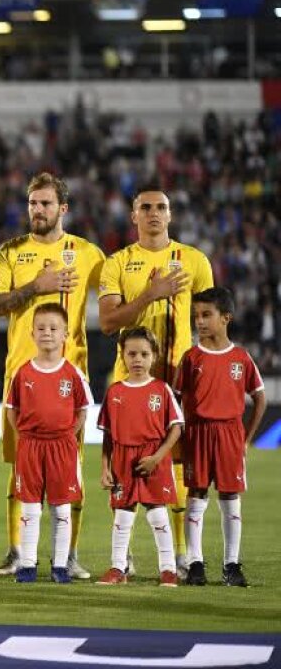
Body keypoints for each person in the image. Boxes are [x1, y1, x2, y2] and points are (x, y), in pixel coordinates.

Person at [0, 173, 104, 578]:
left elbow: (114, 296)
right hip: (23, 375)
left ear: (63, 209)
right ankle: (18, 552)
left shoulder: (87, 253)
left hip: (71, 378)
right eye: (33, 203)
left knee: (71, 470)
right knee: (21, 468)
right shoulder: (10, 252)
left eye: (46, 204)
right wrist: (37, 285)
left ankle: (67, 555)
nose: (37, 210)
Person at [99, 183, 214, 554]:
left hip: (180, 377)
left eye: (160, 207)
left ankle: (181, 555)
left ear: (170, 215)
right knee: (124, 465)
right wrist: (150, 294)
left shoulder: (195, 260)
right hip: (130, 379)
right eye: (145, 207)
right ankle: (124, 557)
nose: (153, 213)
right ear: (134, 216)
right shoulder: (116, 263)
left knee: (180, 464)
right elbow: (106, 322)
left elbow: (209, 324)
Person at [176, 287, 267, 587]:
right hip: (198, 433)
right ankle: (196, 563)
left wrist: (245, 439)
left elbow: (260, 398)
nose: (199, 322)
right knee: (197, 495)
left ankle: (231, 566)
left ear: (225, 318)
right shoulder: (191, 358)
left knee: (230, 498)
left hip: (229, 434)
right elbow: (175, 401)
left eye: (206, 315)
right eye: (196, 316)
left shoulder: (241, 357)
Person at [4, 303, 92, 583]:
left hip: (62, 447)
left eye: (54, 328)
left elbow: (83, 409)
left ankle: (60, 566)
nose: (47, 333)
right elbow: (10, 409)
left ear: (66, 334)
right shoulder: (23, 373)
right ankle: (27, 565)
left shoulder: (73, 373)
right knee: (30, 507)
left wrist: (67, 433)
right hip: (30, 446)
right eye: (41, 328)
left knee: (61, 507)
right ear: (31, 333)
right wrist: (24, 434)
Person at [95, 327, 184, 587]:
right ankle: (117, 568)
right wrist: (105, 468)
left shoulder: (161, 389)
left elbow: (176, 427)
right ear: (122, 355)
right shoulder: (114, 392)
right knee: (123, 517)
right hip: (123, 458)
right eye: (131, 353)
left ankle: (168, 570)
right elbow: (108, 435)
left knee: (157, 515)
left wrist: (157, 458)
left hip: (153, 457)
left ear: (153, 356)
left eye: (144, 354)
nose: (137, 359)